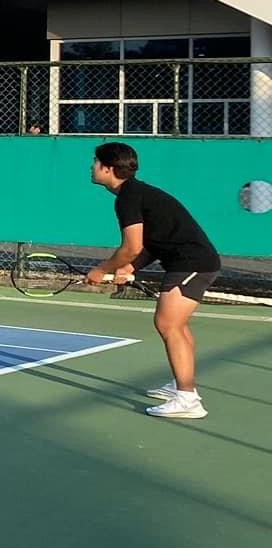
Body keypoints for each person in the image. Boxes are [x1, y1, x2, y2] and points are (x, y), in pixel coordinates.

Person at [86, 141, 221, 420]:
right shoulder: (135, 193)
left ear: (108, 169)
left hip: (191, 264)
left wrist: (102, 269)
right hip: (190, 262)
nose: (91, 167)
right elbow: (150, 244)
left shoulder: (128, 197)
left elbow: (131, 246)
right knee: (176, 325)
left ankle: (188, 400)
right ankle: (181, 384)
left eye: (95, 162)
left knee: (168, 324)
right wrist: (131, 267)